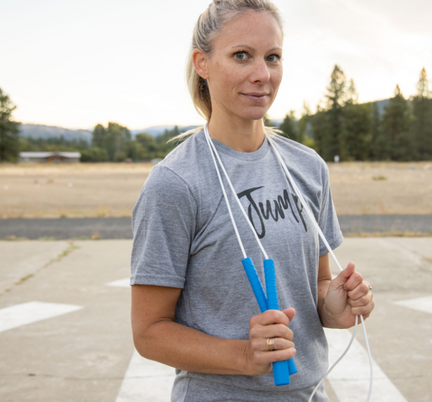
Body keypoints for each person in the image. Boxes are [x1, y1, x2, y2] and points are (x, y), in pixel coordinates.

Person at [130, 1, 375, 401]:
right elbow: (149, 332)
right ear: (202, 63)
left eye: (273, 57)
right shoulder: (175, 182)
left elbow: (315, 282)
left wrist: (334, 307)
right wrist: (244, 355)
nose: (262, 75)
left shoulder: (308, 168)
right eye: (241, 55)